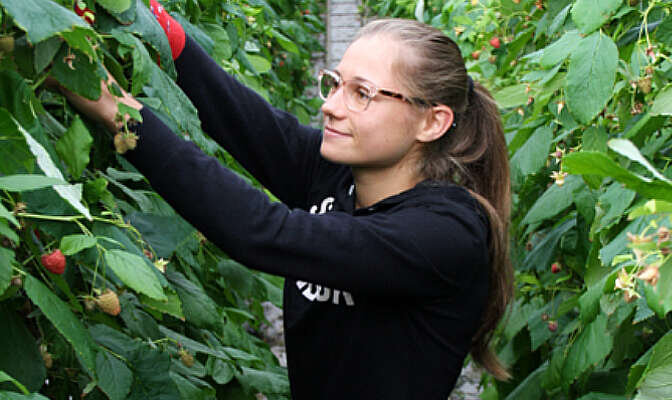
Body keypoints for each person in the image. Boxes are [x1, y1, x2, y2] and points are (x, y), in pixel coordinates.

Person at [61, 2, 514, 398]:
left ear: (432, 123)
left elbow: (258, 230)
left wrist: (119, 114)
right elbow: (238, 116)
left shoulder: (444, 234)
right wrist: (148, 19)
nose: (332, 105)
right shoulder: (339, 174)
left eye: (362, 94)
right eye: (335, 83)